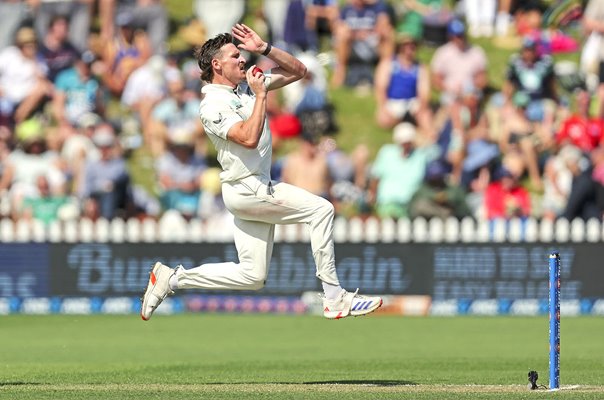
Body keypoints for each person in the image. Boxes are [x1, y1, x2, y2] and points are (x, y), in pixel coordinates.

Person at [141, 24, 382, 321]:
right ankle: (334, 298)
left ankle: (172, 279)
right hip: (246, 188)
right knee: (322, 209)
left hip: (256, 187)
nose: (242, 59)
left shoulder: (245, 87)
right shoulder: (211, 105)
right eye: (234, 56)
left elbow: (299, 70)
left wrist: (264, 48)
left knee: (253, 275)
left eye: (241, 54)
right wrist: (261, 95)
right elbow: (247, 137)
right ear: (217, 64)